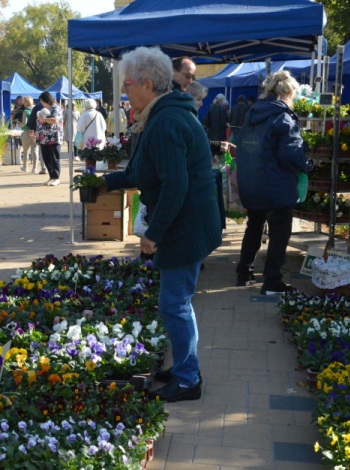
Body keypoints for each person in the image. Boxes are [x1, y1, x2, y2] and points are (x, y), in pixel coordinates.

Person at [101, 46, 221, 403]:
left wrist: (152, 235)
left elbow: (176, 186)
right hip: (188, 221)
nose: (125, 92)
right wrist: (105, 183)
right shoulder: (163, 114)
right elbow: (144, 171)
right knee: (176, 302)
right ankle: (186, 366)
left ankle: (188, 380)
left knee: (175, 304)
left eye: (128, 85)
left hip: (186, 225)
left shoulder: (166, 121)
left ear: (148, 84)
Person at [234, 71, 313, 295]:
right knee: (279, 234)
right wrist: (309, 165)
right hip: (275, 186)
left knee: (254, 226)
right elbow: (292, 155)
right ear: (288, 93)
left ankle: (244, 272)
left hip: (250, 183)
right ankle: (271, 282)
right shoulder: (283, 118)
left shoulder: (252, 114)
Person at [186, 82, 235, 156]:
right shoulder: (187, 118)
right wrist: (225, 126)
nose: (201, 103)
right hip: (219, 131)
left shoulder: (211, 107)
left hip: (212, 131)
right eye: (199, 99)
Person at [36, 91, 64, 186]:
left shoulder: (56, 108)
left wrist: (43, 119)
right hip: (44, 138)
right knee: (46, 158)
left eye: (42, 102)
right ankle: (51, 176)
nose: (42, 104)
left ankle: (56, 177)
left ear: (46, 100)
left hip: (53, 137)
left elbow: (55, 120)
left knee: (54, 158)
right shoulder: (45, 109)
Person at [26, 96, 48, 174]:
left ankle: (37, 168)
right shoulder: (50, 107)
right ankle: (45, 167)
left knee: (36, 149)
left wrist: (32, 130)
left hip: (37, 130)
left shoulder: (36, 108)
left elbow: (31, 120)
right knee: (45, 150)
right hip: (48, 131)